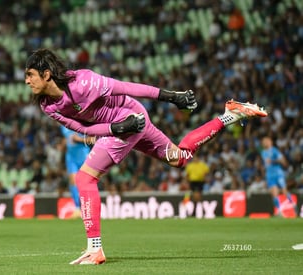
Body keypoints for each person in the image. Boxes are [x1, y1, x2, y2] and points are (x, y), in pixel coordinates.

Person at [24, 48, 267, 265]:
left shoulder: (84, 81)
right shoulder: (48, 105)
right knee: (179, 158)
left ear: (46, 74)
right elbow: (83, 129)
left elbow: (127, 87)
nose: (26, 81)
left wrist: (171, 96)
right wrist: (113, 129)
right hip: (119, 126)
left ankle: (94, 249)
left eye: (30, 74)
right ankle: (230, 115)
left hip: (131, 116)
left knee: (84, 179)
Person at [60, 126, 93, 218]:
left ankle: (88, 209)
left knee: (86, 183)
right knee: (73, 182)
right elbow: (68, 139)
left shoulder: (83, 122)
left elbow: (92, 139)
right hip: (71, 157)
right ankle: (77, 209)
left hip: (83, 155)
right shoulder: (64, 125)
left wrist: (80, 139)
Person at [260, 136, 296, 216]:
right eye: (263, 141)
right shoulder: (263, 153)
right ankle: (279, 211)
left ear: (270, 142)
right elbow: (266, 164)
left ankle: (293, 203)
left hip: (278, 173)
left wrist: (273, 160)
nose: (264, 143)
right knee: (274, 193)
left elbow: (283, 161)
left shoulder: (275, 151)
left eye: (265, 141)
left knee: (284, 190)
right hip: (269, 175)